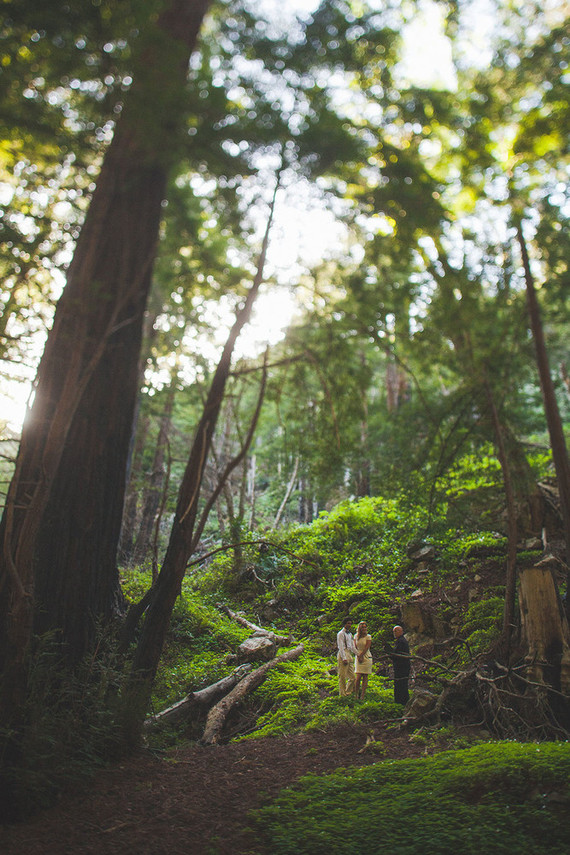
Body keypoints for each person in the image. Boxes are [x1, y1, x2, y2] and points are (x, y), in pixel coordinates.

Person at [390, 625, 410, 706]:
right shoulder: (400, 641)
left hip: (402, 667)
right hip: (401, 666)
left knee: (401, 684)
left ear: (401, 631)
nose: (394, 633)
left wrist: (390, 652)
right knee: (401, 684)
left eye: (396, 631)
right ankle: (401, 702)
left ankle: (401, 702)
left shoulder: (401, 641)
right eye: (393, 631)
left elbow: (397, 655)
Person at [336, 618, 356, 697]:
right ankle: (342, 694)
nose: (349, 625)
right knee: (342, 676)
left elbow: (352, 646)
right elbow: (340, 646)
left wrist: (358, 654)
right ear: (344, 624)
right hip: (343, 653)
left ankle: (348, 692)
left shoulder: (350, 634)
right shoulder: (340, 634)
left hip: (349, 653)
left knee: (352, 677)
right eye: (348, 623)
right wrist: (344, 658)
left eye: (350, 623)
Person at [354, 621, 373, 700]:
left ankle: (362, 695)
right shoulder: (356, 636)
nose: (364, 629)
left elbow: (367, 647)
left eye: (365, 627)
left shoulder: (368, 637)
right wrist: (358, 655)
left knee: (365, 676)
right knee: (358, 676)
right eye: (363, 627)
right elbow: (354, 646)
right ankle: (356, 694)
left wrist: (361, 655)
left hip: (366, 656)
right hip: (358, 655)